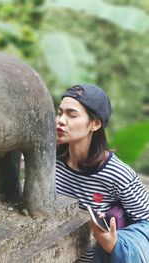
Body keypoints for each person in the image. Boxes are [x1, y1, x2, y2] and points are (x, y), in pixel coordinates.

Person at [55, 84, 149, 263]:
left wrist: (114, 244)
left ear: (95, 123)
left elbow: (146, 220)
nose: (61, 120)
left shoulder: (118, 174)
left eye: (72, 114)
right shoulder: (50, 161)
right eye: (60, 113)